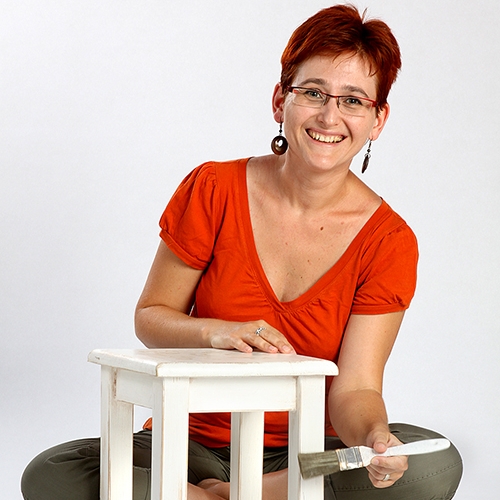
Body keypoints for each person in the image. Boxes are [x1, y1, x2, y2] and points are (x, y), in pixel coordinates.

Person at [22, 4, 463, 499]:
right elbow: (151, 316)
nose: (329, 115)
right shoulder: (213, 188)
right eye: (313, 92)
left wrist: (375, 439)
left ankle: (222, 495)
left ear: (378, 120)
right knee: (52, 473)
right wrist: (216, 332)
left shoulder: (389, 241)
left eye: (353, 100)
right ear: (280, 100)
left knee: (434, 463)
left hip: (305, 453)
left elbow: (356, 386)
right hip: (188, 443)